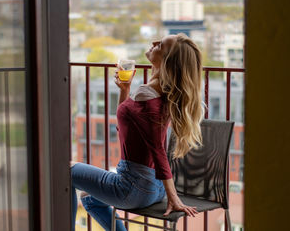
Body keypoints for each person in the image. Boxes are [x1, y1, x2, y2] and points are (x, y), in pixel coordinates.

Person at [70, 33, 204, 231]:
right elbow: (126, 128)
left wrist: (174, 198)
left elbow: (157, 147)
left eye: (160, 46)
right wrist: (125, 90)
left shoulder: (146, 94)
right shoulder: (162, 94)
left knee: (66, 170)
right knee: (90, 200)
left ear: (166, 62)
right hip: (154, 188)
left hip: (133, 187)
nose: (154, 43)